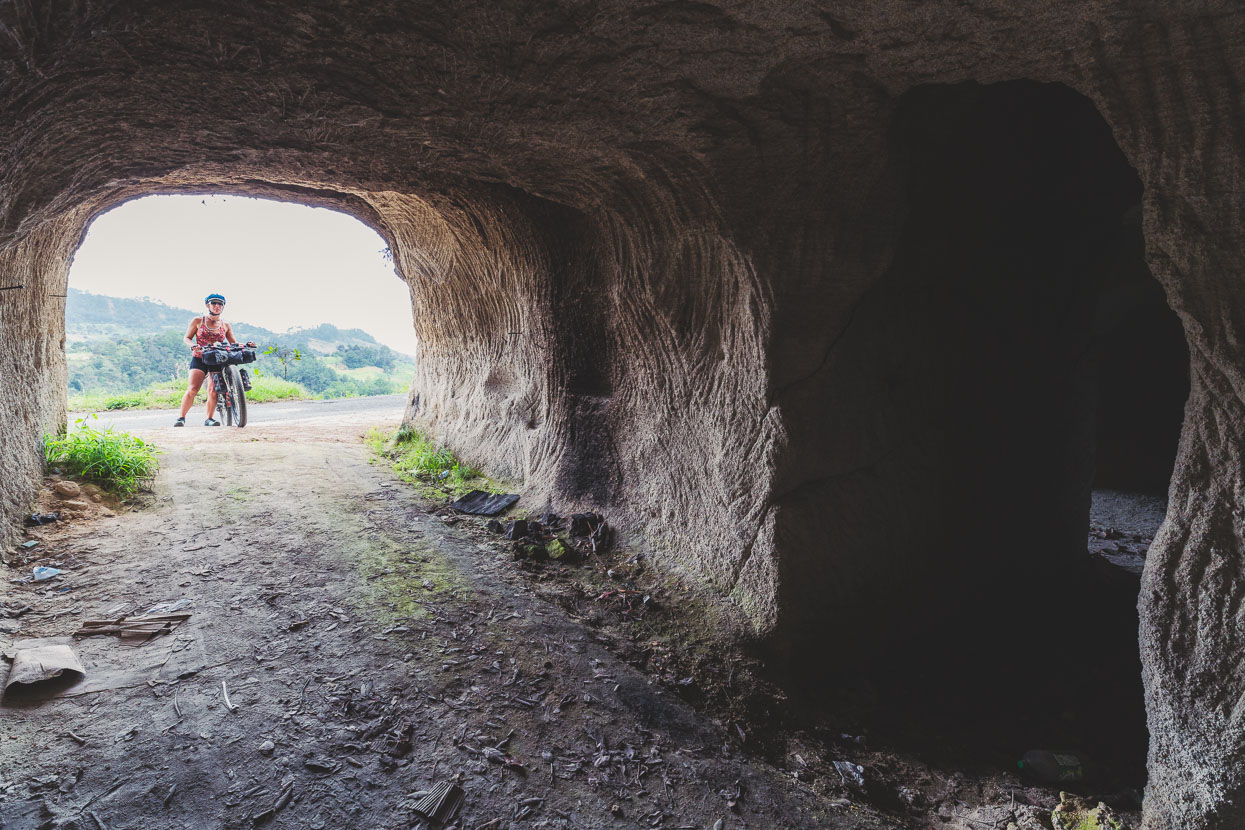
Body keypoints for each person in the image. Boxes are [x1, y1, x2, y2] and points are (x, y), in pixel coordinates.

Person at [174, 293, 255, 426]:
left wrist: (246, 345)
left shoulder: (225, 325)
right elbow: (187, 338)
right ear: (208, 305)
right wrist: (193, 346)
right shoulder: (198, 321)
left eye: (220, 304)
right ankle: (181, 418)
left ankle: (209, 419)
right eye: (214, 303)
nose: (217, 306)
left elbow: (233, 343)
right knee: (193, 389)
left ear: (223, 307)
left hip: (217, 359)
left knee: (213, 389)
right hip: (200, 357)